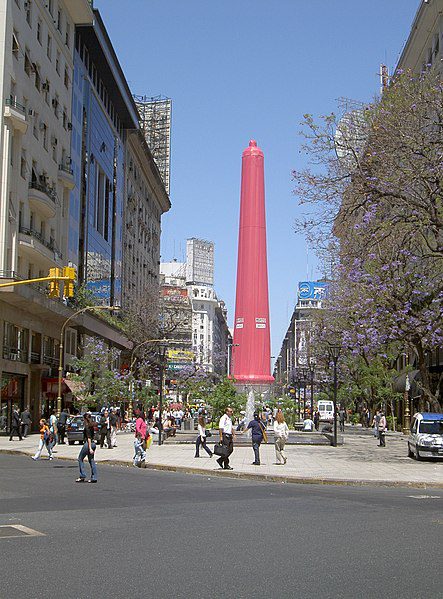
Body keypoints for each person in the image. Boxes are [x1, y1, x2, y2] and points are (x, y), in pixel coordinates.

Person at [76, 413, 97, 483]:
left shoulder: (87, 427)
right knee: (91, 460)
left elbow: (89, 438)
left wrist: (90, 448)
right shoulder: (92, 425)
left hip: (88, 444)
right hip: (94, 443)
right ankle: (94, 477)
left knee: (80, 458)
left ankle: (82, 475)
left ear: (84, 419)